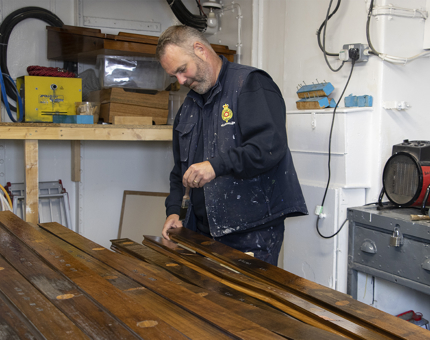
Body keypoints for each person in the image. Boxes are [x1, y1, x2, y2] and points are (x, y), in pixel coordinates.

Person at [156, 25, 307, 266]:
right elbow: (180, 171)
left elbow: (268, 148)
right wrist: (174, 211)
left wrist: (214, 166)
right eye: (175, 75)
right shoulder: (189, 106)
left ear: (200, 49)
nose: (181, 80)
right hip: (201, 232)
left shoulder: (250, 84)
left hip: (250, 234)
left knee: (247, 303)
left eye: (182, 70)